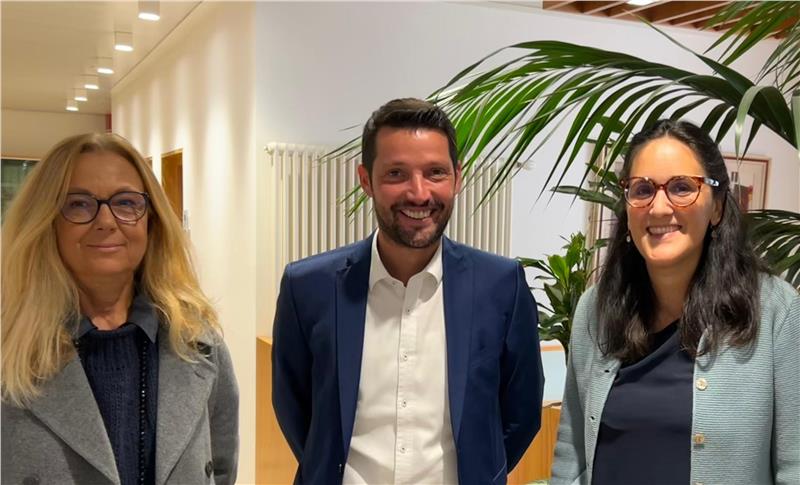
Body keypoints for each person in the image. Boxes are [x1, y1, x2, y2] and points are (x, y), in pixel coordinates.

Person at [272, 98, 544, 485]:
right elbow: (294, 409)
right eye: (396, 174)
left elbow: (522, 412)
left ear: (457, 178)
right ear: (366, 180)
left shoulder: (501, 285)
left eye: (435, 173)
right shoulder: (308, 288)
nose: (418, 193)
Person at [550, 119, 799, 485]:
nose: (659, 208)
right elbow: (570, 458)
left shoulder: (775, 310)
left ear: (716, 207)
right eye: (643, 189)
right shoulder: (596, 309)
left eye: (682, 187)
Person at [1, 133, 239, 485]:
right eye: (79, 204)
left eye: (126, 203)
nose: (106, 221)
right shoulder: (9, 347)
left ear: (151, 220)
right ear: (47, 221)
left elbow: (220, 468)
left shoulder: (196, 341)